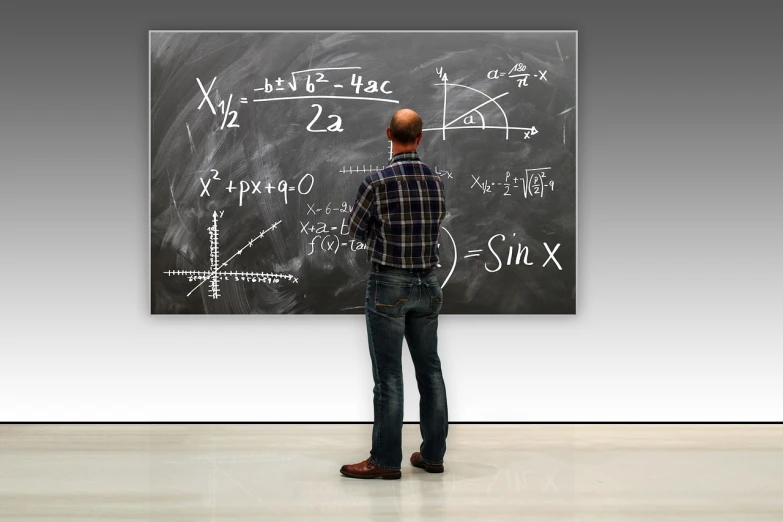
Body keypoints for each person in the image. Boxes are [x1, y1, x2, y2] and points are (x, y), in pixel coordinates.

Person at [340, 109, 449, 480]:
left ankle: (386, 461)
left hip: (389, 285)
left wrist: (380, 235)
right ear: (420, 137)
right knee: (430, 371)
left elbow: (355, 228)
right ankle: (432, 455)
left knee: (388, 377)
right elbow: (437, 222)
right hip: (428, 285)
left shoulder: (376, 182)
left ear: (389, 134)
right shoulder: (436, 181)